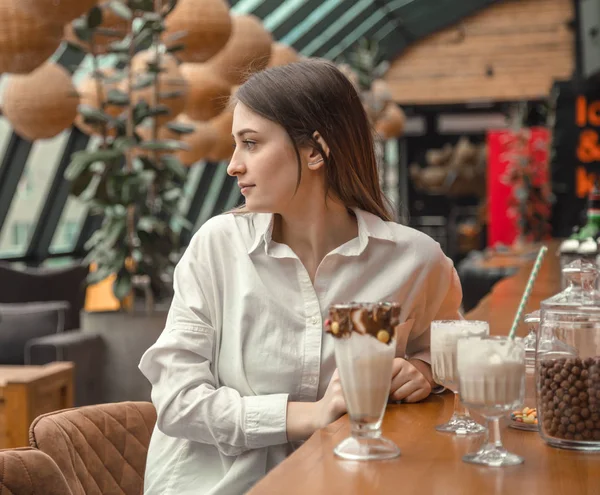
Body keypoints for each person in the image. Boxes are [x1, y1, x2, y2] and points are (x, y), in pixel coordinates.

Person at [139, 59, 463, 495]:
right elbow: (177, 402)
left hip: (354, 482)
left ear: (315, 150)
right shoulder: (218, 248)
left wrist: (424, 371)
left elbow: (453, 353)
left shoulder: (414, 261)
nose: (233, 165)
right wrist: (309, 414)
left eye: (250, 143)